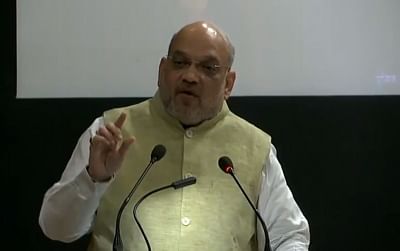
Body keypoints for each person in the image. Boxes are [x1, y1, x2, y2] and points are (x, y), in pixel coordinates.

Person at [39, 21, 310, 251]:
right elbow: (56, 229)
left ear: (228, 83)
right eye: (179, 63)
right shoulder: (111, 132)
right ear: (162, 71)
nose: (190, 76)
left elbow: (289, 235)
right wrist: (92, 179)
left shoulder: (254, 147)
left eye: (208, 68)